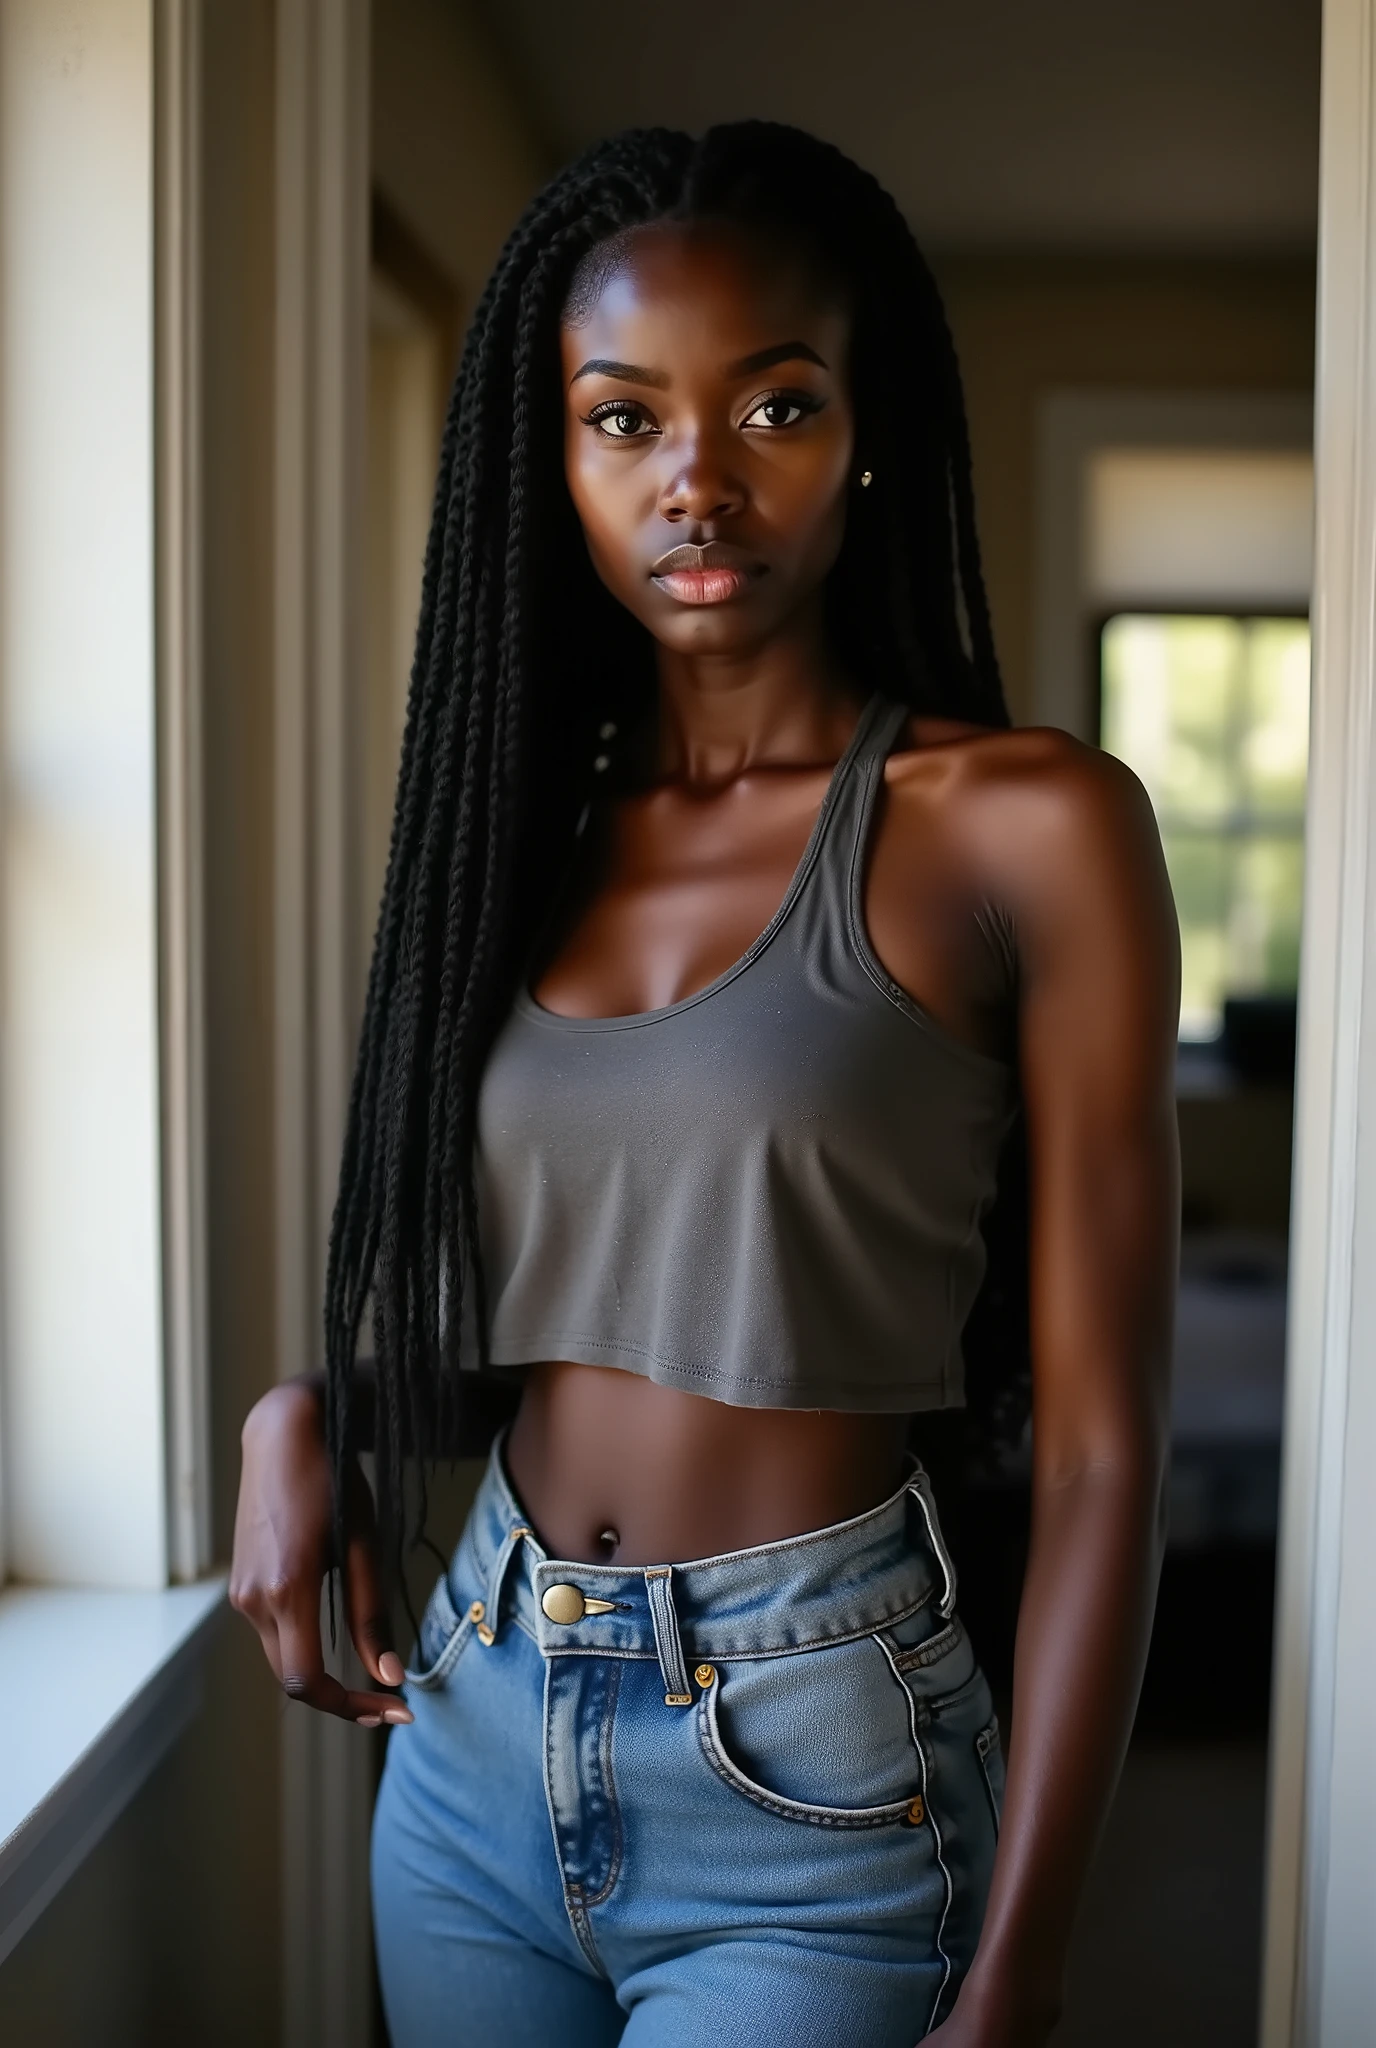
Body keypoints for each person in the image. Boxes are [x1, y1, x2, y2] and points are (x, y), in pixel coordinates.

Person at [230, 123, 1179, 2047]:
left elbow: (1099, 1452)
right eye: (623, 417)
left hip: (812, 1767)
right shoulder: (516, 838)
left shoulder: (1025, 827)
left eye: (775, 406)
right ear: (554, 458)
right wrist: (306, 1404)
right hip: (478, 1731)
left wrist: (1028, 1966)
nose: (697, 481)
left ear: (869, 430)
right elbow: (574, 1284)